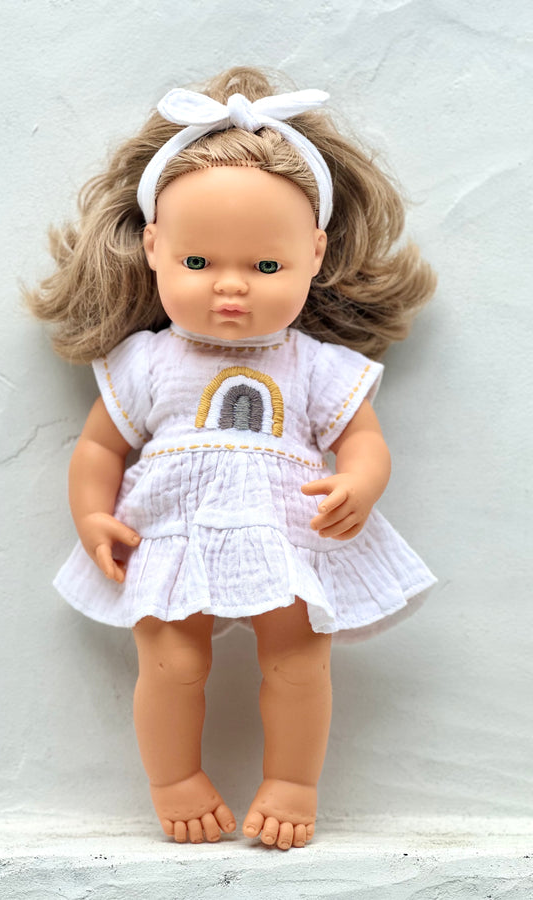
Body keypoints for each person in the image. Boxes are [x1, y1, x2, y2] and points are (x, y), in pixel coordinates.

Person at [27, 66, 436, 850]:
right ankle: (174, 780)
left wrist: (360, 482)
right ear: (154, 247)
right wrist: (91, 513)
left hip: (285, 530)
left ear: (315, 254)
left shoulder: (313, 364)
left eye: (266, 267)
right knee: (170, 664)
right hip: (171, 532)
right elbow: (100, 446)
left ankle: (293, 783)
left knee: (299, 661)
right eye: (199, 263)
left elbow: (363, 438)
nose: (231, 289)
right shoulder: (146, 360)